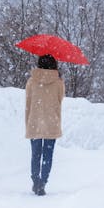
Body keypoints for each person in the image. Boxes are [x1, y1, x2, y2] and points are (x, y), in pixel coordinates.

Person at [25, 54, 65, 196]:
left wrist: (28, 122)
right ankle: (43, 182)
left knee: (35, 155)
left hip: (35, 122)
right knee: (48, 155)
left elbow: (28, 102)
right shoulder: (58, 82)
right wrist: (59, 79)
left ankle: (35, 181)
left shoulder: (31, 81)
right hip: (51, 123)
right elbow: (60, 99)